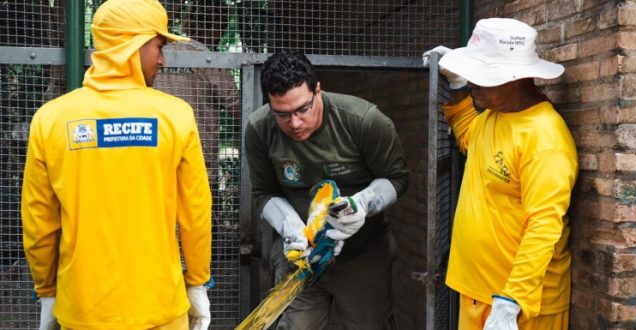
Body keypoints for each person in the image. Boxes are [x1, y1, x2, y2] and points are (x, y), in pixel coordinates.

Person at [21, 1, 213, 329]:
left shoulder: (50, 119)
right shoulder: (175, 116)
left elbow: (39, 222)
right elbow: (196, 213)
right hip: (161, 310)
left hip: (82, 312)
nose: (163, 58)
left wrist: (48, 291)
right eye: (159, 46)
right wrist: (196, 283)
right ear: (133, 44)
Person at [423, 18, 578, 330]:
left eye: (481, 77)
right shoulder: (495, 114)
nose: (472, 83)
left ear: (517, 78)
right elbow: (469, 135)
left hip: (520, 308)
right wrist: (455, 83)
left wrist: (512, 300)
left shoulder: (545, 138)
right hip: (480, 293)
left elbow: (543, 225)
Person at [244, 50, 409, 329]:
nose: (294, 123)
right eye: (282, 114)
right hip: (299, 258)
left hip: (362, 255)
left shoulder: (364, 120)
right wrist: (289, 226)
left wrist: (363, 204)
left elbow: (397, 179)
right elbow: (263, 192)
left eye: (302, 109)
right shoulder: (259, 129)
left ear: (317, 91)